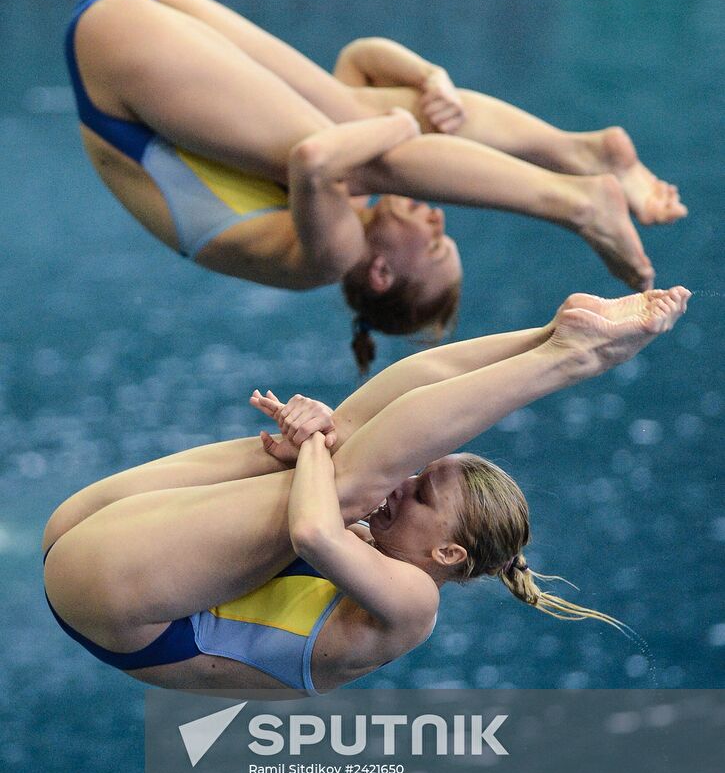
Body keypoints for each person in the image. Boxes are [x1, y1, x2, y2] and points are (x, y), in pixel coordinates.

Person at [42, 286, 689, 694]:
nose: (404, 486)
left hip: (121, 607)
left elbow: (314, 533)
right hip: (88, 541)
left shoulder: (411, 606)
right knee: (346, 437)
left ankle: (571, 359)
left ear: (447, 555)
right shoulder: (387, 543)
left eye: (423, 496)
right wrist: (314, 440)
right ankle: (549, 336)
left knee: (344, 476)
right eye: (417, 474)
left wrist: (314, 445)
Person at [66, 0, 686, 371]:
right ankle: (582, 153)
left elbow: (316, 161)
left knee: (362, 156)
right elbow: (359, 60)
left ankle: (577, 201)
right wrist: (425, 77)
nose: (440, 216)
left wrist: (399, 124)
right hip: (141, 8)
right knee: (366, 123)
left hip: (116, 62)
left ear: (383, 272)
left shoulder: (326, 258)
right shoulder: (349, 216)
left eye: (437, 242)